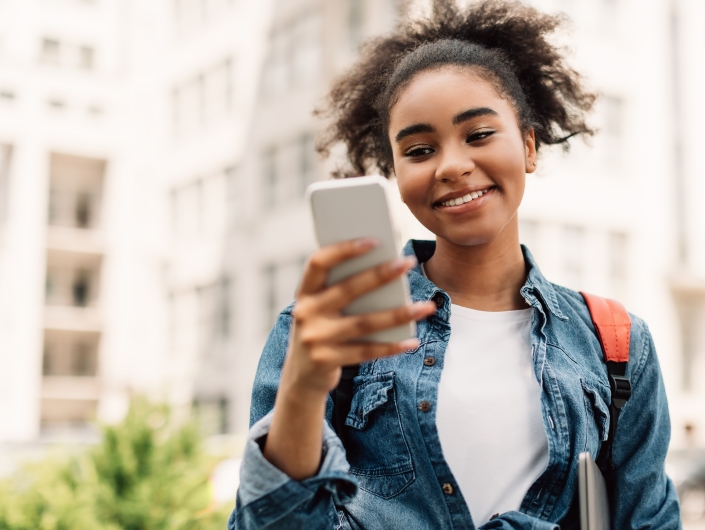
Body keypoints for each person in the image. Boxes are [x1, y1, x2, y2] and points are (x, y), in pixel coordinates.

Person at [229, 0, 681, 528]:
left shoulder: (616, 345)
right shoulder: (325, 331)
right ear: (395, 174)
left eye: (480, 134)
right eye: (419, 150)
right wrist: (304, 388)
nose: (452, 165)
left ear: (529, 146)